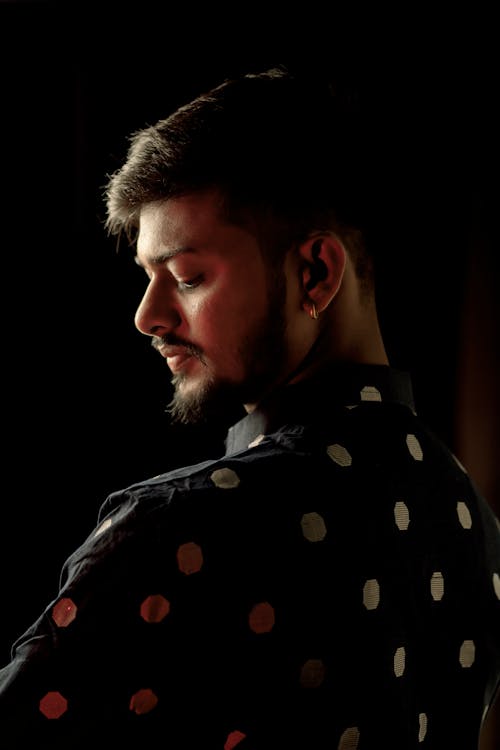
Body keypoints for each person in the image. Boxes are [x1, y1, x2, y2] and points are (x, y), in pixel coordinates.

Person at [0, 65, 499, 750]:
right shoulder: (467, 515)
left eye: (186, 277)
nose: (148, 316)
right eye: (148, 279)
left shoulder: (177, 528)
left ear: (315, 273)